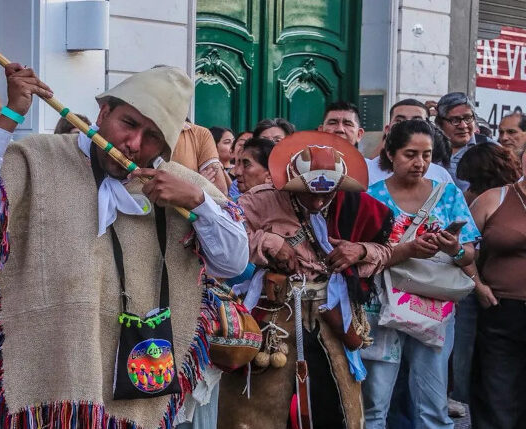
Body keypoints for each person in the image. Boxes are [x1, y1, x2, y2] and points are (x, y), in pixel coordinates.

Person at [0, 64, 248, 428]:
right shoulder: (39, 157)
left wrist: (199, 202)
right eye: (129, 124)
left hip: (143, 374)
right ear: (104, 112)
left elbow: (232, 263)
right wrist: (11, 114)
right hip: (52, 371)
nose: (135, 144)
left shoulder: (178, 184)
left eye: (152, 136)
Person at [220, 131, 392, 429]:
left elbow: (387, 251)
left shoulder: (357, 205)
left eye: (327, 193)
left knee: (334, 402)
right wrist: (268, 241)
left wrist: (360, 250)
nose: (319, 200)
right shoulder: (260, 201)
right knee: (259, 404)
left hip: (332, 317)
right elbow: (224, 238)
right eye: (310, 192)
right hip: (274, 317)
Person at [362, 119, 479, 429]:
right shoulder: (370, 198)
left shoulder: (448, 195)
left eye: (426, 155)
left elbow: (468, 255)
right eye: (410, 154)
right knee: (374, 404)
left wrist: (453, 247)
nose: (419, 163)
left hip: (434, 309)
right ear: (390, 153)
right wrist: (409, 250)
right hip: (381, 307)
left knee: (432, 405)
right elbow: (361, 258)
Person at [467, 147, 526, 429]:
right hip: (501, 307)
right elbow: (463, 246)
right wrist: (477, 284)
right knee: (496, 390)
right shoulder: (495, 198)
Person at [367, 99, 454, 185]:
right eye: (399, 121)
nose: (407, 127)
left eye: (417, 121)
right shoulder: (366, 171)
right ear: (387, 129)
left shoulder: (441, 176)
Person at [435, 92, 486, 191]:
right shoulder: (430, 149)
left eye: (468, 118)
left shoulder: (489, 148)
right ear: (440, 123)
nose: (463, 126)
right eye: (455, 120)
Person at [173, 122, 230, 194]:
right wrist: (196, 186)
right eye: (227, 142)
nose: (232, 146)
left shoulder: (201, 134)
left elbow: (220, 192)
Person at [228, 131, 254, 200]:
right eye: (242, 144)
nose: (238, 173)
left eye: (247, 164)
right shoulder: (236, 184)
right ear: (232, 151)